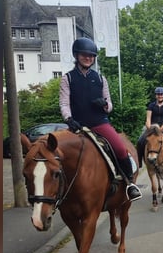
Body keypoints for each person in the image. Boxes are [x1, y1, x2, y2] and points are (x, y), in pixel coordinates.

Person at [60, 37, 142, 201]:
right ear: (77, 55)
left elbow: (110, 105)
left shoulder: (100, 79)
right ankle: (58, 192)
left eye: (91, 56)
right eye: (85, 55)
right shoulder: (67, 78)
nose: (88, 58)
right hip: (77, 126)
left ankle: (130, 184)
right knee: (59, 154)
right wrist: (68, 118)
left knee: (119, 148)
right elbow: (64, 102)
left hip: (99, 123)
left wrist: (104, 104)